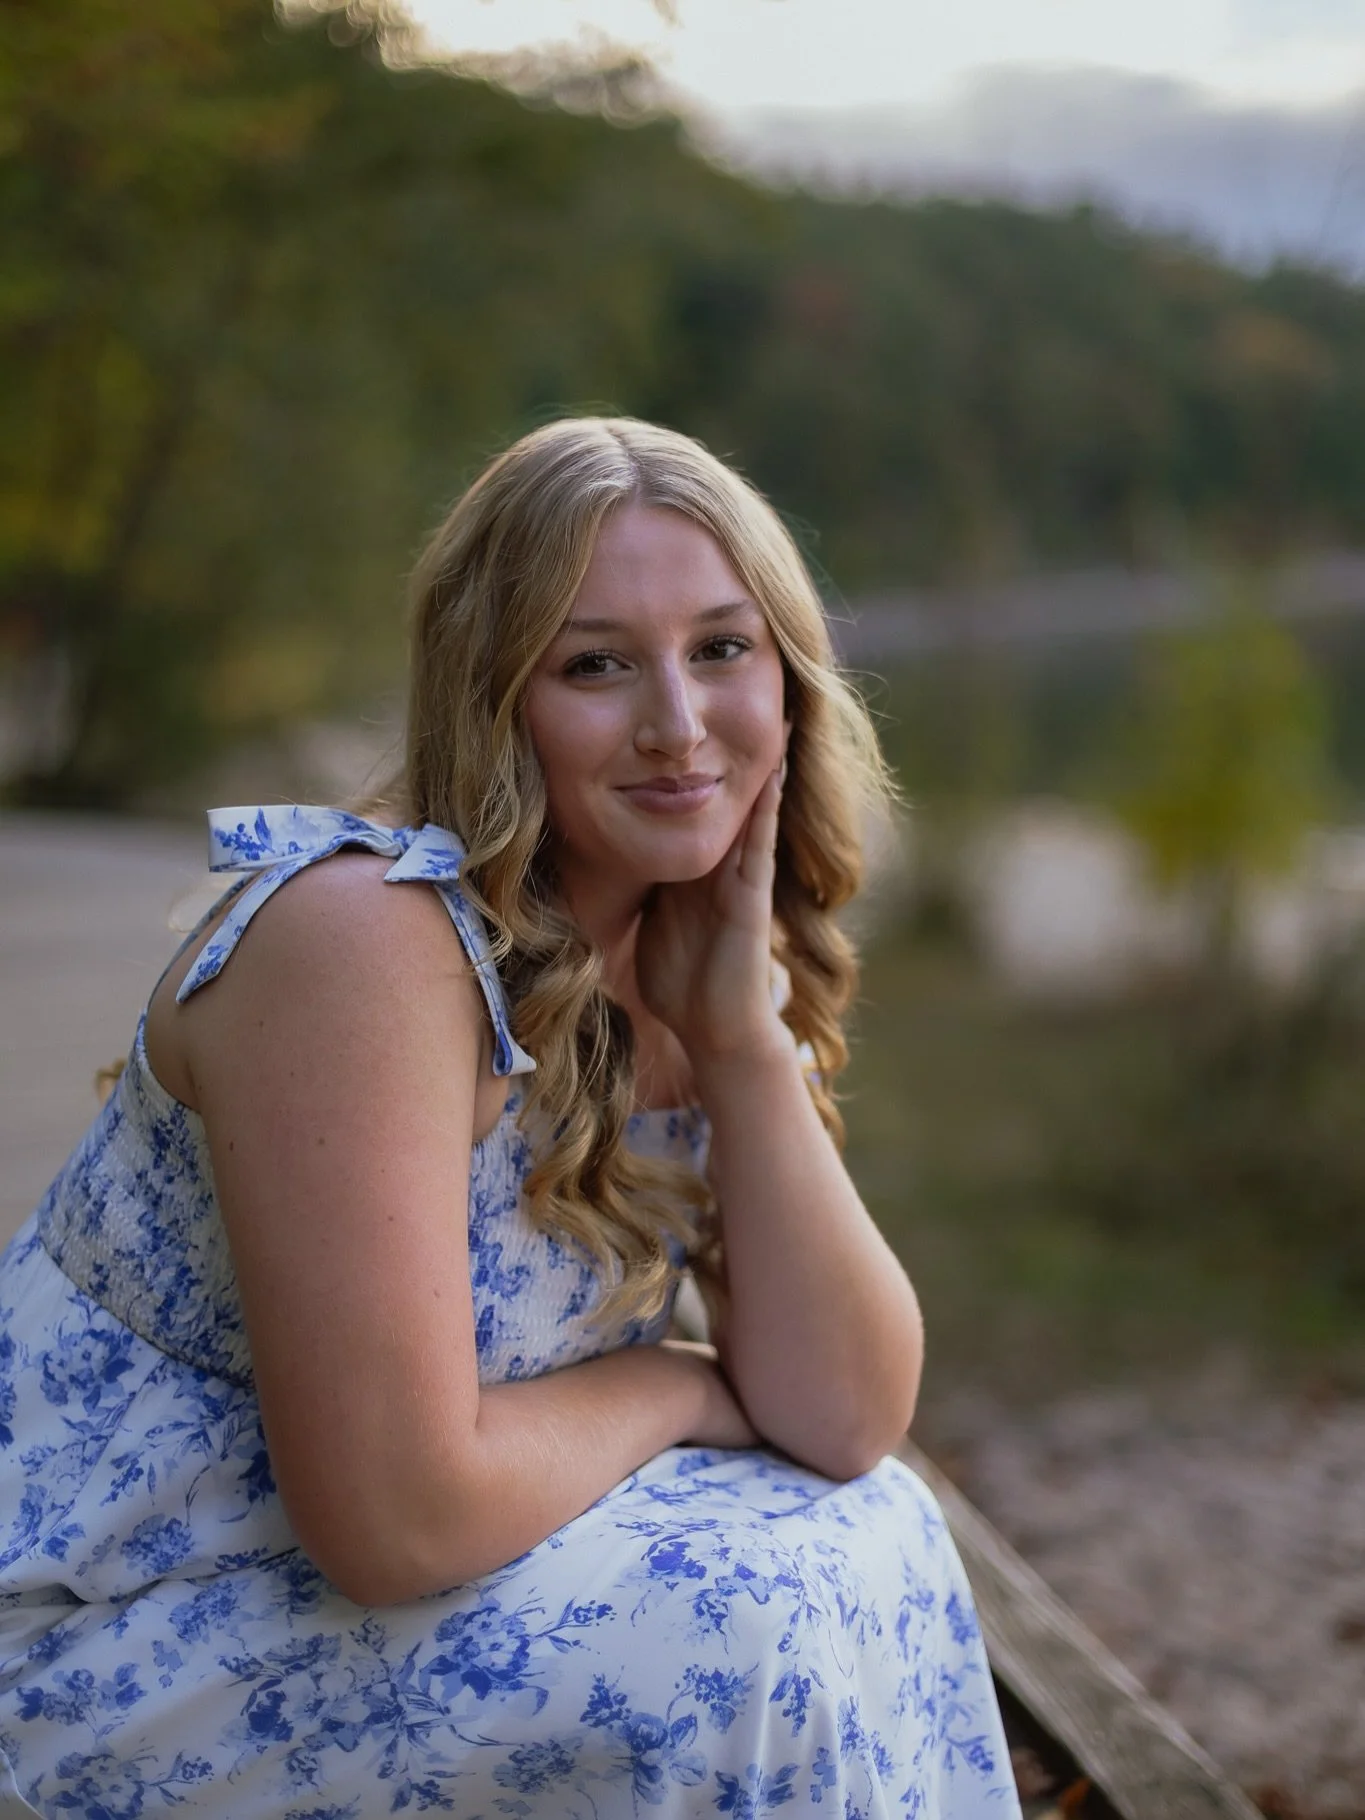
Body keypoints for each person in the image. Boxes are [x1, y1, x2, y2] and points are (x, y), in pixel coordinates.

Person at [0, 418, 1020, 1818]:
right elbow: (398, 1516)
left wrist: (736, 1040)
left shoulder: (680, 961)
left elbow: (846, 1416)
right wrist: (679, 1381)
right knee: (747, 1635)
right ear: (494, 696)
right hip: (100, 1636)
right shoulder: (365, 941)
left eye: (722, 648)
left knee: (871, 1529)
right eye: (596, 663)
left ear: (791, 677)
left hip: (327, 1611)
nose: (678, 721)